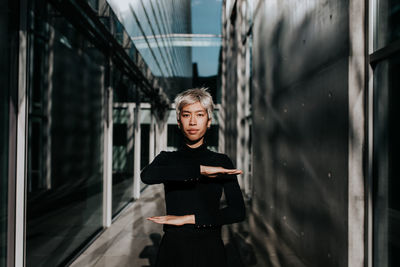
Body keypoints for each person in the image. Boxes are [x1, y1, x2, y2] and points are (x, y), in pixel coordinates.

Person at [140, 87, 246, 267]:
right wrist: (200, 170)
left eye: (200, 115)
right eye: (187, 115)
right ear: (179, 121)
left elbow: (237, 211)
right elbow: (147, 175)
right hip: (173, 250)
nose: (193, 122)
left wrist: (187, 219)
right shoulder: (167, 158)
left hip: (210, 250)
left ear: (209, 121)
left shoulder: (221, 161)